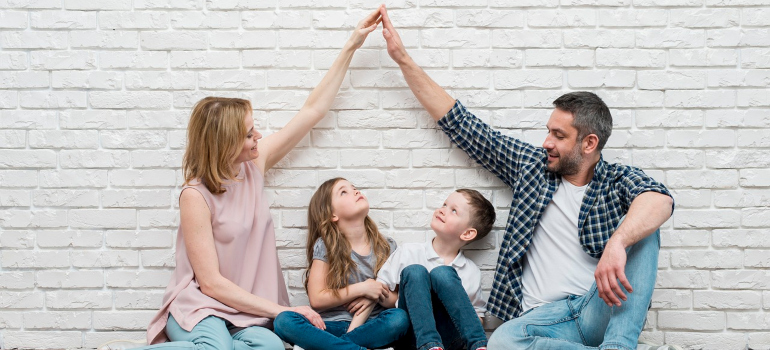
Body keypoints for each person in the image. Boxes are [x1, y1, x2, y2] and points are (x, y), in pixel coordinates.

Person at [376, 6, 680, 350]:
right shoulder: (531, 166)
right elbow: (462, 124)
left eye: (558, 135)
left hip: (599, 309)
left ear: (589, 143)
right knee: (503, 341)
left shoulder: (615, 180)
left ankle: (619, 346)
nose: (546, 142)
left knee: (644, 228)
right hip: (542, 319)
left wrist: (618, 242)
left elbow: (660, 199)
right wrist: (402, 59)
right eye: (548, 132)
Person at [105, 8, 385, 350]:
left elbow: (312, 112)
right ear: (225, 142)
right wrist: (284, 309)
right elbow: (210, 284)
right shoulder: (195, 196)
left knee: (267, 348)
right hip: (203, 307)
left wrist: (352, 45)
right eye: (249, 133)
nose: (258, 137)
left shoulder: (254, 165)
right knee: (216, 348)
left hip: (250, 311)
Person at [273, 177, 410, 350]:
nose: (356, 191)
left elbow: (395, 300)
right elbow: (317, 299)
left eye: (354, 188)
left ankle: (338, 347)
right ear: (332, 214)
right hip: (328, 327)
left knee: (399, 318)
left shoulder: (387, 246)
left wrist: (376, 290)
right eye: (344, 192)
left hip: (371, 327)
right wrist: (363, 288)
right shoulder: (325, 246)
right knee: (283, 321)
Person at [376, 189, 494, 350]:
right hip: (413, 337)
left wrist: (452, 309)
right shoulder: (409, 252)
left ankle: (479, 345)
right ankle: (429, 345)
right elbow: (381, 290)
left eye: (453, 210)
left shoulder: (470, 271)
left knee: (443, 273)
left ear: (467, 233)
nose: (442, 210)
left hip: (449, 340)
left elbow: (478, 316)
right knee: (415, 271)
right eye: (444, 204)